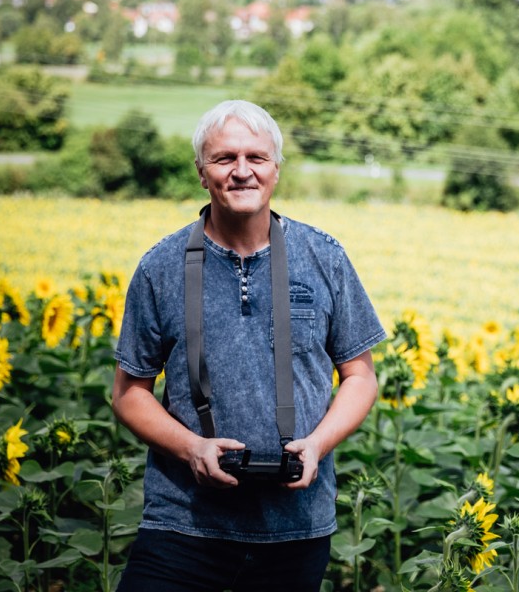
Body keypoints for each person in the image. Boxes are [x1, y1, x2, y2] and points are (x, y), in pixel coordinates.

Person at [112, 99, 386, 592]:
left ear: (276, 169)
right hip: (182, 524)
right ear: (202, 172)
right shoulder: (160, 266)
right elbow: (129, 392)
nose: (242, 172)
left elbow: (360, 376)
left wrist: (318, 444)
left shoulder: (323, 257)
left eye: (256, 158)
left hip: (295, 528)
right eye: (224, 159)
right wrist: (192, 447)